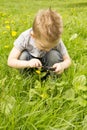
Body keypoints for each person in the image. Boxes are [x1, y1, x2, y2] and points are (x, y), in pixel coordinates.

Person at [7, 9, 71, 74]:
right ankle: (27, 77)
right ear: (33, 36)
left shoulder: (55, 39)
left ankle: (52, 78)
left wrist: (62, 65)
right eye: (43, 46)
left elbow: (68, 60)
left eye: (51, 46)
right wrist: (28, 63)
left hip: (48, 63)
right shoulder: (25, 38)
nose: (48, 49)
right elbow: (10, 61)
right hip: (29, 63)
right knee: (23, 56)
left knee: (53, 55)